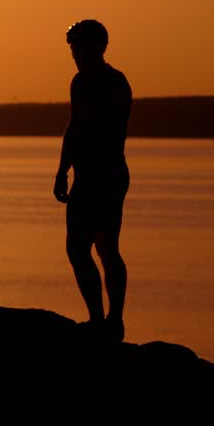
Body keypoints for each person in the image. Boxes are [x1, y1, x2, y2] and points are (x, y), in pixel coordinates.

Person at [54, 19, 132, 343]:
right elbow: (74, 127)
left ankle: (113, 320)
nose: (75, 54)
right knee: (77, 248)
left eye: (79, 48)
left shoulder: (115, 83)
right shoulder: (79, 82)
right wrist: (62, 169)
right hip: (85, 176)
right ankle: (97, 319)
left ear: (97, 47)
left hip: (108, 176)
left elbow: (105, 132)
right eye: (73, 49)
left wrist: (87, 165)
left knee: (106, 248)